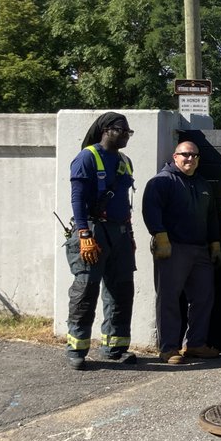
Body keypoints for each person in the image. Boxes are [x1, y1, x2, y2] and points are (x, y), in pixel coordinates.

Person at [63, 112, 137, 370]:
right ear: (107, 129)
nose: (127, 135)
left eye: (129, 132)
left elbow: (125, 204)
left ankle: (115, 348)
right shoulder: (87, 157)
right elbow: (77, 199)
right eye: (122, 130)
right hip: (93, 231)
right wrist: (84, 234)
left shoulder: (124, 161)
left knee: (121, 291)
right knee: (86, 291)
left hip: (120, 233)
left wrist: (130, 235)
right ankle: (77, 348)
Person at [142, 140, 221, 364]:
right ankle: (168, 348)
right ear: (175, 156)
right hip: (173, 248)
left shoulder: (203, 184)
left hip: (200, 250)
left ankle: (195, 344)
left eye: (195, 156)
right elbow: (151, 209)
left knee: (204, 298)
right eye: (186, 155)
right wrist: (160, 235)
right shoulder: (161, 181)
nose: (190, 159)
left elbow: (212, 216)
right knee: (168, 297)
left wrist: (215, 243)